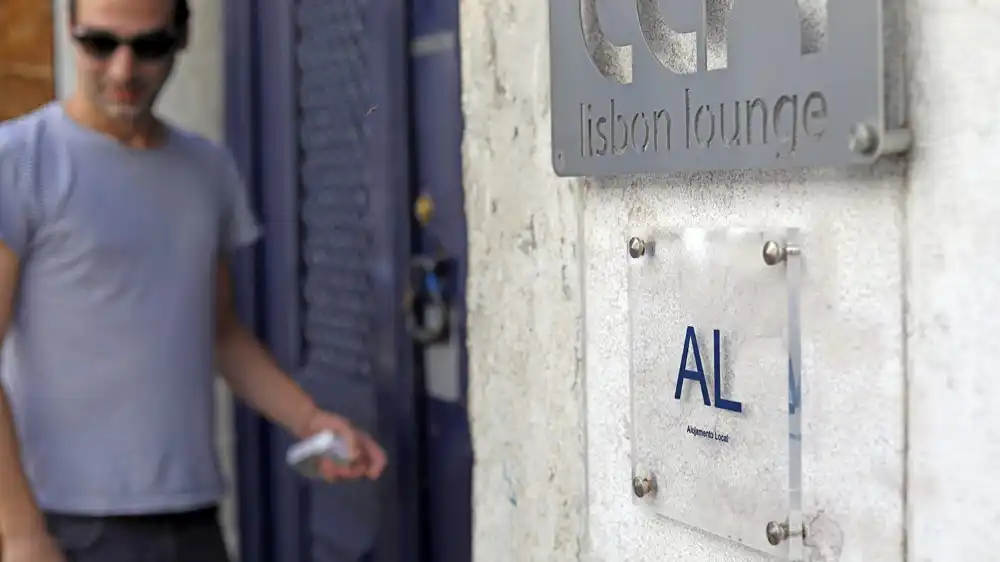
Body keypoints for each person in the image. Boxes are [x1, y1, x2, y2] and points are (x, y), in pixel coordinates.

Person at [0, 0, 387, 560]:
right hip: (65, 522)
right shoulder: (18, 161)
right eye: (100, 43)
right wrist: (21, 533)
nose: (123, 69)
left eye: (149, 45)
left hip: (193, 518)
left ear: (182, 36)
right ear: (70, 30)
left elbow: (220, 332)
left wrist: (309, 420)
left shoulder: (206, 169)